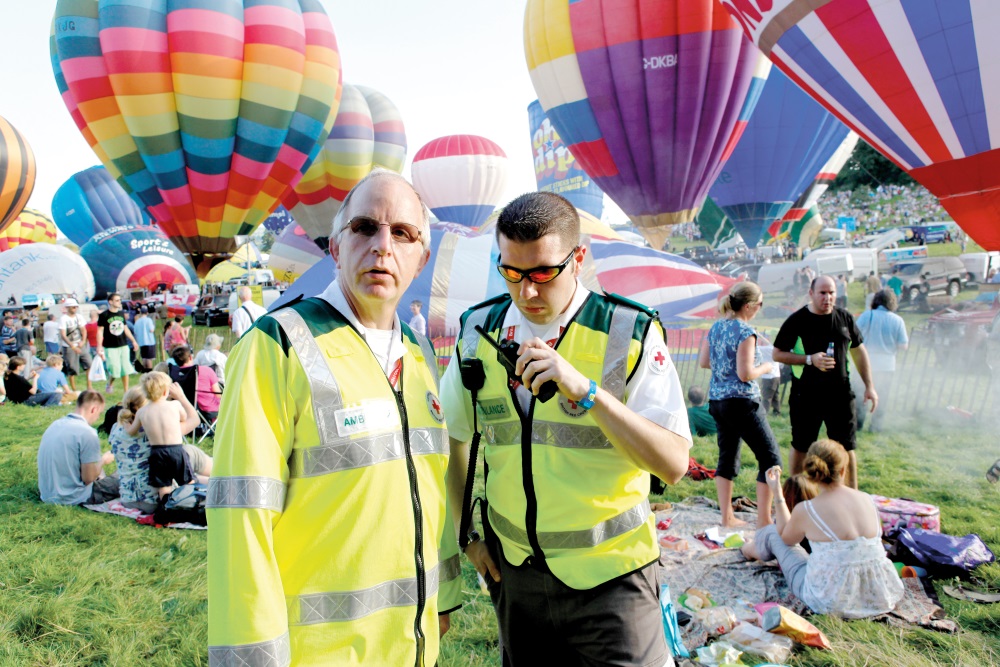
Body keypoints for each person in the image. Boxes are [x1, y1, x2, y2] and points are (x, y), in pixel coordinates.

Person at [207, 169, 459, 666]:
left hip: (412, 645)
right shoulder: (275, 345)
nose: (383, 246)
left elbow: (431, 485)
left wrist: (443, 598)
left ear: (421, 259)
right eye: (365, 227)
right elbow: (242, 516)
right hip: (318, 654)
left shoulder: (421, 354)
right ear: (335, 247)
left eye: (402, 233)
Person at [441, 192, 692, 666]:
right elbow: (453, 438)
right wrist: (466, 536)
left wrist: (588, 392)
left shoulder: (628, 330)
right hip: (514, 575)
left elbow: (674, 463)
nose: (527, 292)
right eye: (511, 273)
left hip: (612, 578)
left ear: (578, 258)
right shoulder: (477, 330)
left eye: (541, 273)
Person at [740, 439, 904, 619]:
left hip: (828, 601)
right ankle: (751, 547)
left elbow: (785, 539)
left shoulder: (808, 509)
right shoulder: (867, 499)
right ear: (842, 470)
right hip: (879, 596)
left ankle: (747, 548)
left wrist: (777, 493)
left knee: (772, 532)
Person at [772, 276, 877, 489]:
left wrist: (869, 386)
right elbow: (777, 354)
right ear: (811, 294)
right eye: (822, 293)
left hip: (840, 393)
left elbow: (859, 352)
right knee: (801, 444)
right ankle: (798, 493)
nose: (827, 298)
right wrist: (810, 359)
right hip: (806, 394)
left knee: (846, 446)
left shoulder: (845, 318)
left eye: (831, 293)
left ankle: (850, 494)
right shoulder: (798, 320)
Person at [698, 280, 782, 528]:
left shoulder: (716, 328)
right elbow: (745, 374)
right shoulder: (746, 332)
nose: (760, 308)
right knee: (771, 457)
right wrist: (766, 367)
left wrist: (727, 368)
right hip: (743, 402)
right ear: (749, 306)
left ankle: (727, 517)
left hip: (718, 401)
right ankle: (764, 520)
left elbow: (704, 361)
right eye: (760, 304)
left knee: (727, 458)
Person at [111, 385, 213, 514]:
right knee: (188, 451)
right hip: (158, 500)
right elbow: (195, 420)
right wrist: (181, 397)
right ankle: (221, 472)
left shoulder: (117, 428)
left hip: (128, 498)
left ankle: (208, 478)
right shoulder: (157, 429)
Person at [124, 371, 201, 498]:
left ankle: (167, 512)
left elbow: (132, 431)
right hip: (176, 450)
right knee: (187, 481)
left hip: (157, 453)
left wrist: (127, 426)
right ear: (166, 391)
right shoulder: (174, 405)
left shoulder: (142, 412)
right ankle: (193, 503)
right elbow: (184, 417)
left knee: (164, 486)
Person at [37, 391, 120, 505]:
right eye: (99, 414)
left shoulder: (55, 424)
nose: (97, 418)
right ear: (93, 409)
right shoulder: (87, 433)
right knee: (125, 478)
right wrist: (103, 460)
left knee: (96, 468)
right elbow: (88, 479)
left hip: (48, 494)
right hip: (72, 497)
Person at [855, 289, 908, 432]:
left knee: (861, 395)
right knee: (882, 396)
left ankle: (857, 424)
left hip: (867, 362)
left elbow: (853, 336)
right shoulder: (898, 320)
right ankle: (876, 426)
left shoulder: (867, 315)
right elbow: (903, 345)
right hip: (887, 365)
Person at [97, 293, 140, 394]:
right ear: (110, 302)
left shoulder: (121, 314)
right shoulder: (104, 315)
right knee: (115, 370)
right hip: (110, 346)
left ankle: (126, 391)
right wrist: (99, 346)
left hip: (123, 345)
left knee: (125, 369)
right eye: (116, 300)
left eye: (119, 300)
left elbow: (125, 328)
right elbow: (99, 331)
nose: (119, 302)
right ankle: (110, 383)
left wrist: (133, 341)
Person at [172, 345, 222, 422]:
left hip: (184, 409)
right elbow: (218, 394)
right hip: (207, 411)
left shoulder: (174, 373)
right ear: (190, 357)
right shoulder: (206, 370)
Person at [58, 299, 93, 392]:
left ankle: (89, 386)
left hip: (80, 344)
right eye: (73, 307)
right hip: (69, 346)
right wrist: (72, 346)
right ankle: (73, 389)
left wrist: (83, 341)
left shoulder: (79, 317)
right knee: (72, 368)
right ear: (68, 307)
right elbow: (63, 335)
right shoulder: (63, 319)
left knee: (89, 364)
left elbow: (83, 330)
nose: (75, 308)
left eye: (76, 306)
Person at [757, 332, 782, 416]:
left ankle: (764, 414)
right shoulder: (772, 348)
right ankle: (777, 411)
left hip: (769, 377)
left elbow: (755, 348)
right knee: (775, 396)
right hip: (776, 377)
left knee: (766, 397)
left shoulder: (767, 349)